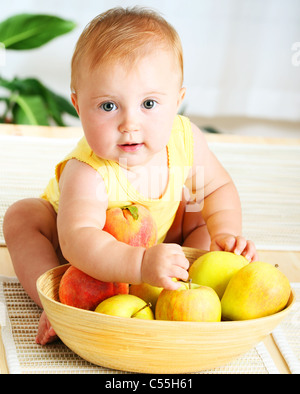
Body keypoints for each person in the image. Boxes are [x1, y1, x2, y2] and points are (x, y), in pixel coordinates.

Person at [3, 7, 257, 345]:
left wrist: (226, 235)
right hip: (81, 256)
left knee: (197, 210)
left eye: (149, 104)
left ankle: (186, 284)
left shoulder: (184, 139)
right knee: (23, 216)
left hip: (158, 239)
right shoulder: (87, 172)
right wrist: (138, 265)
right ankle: (53, 302)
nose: (129, 124)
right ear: (78, 107)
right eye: (109, 106)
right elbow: (79, 240)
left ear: (178, 101)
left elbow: (216, 188)